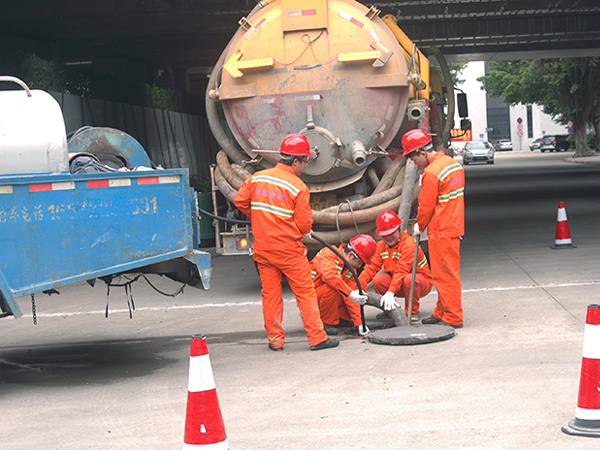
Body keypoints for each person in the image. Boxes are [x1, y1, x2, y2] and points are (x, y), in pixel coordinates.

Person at [234, 133, 339, 351]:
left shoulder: (258, 178)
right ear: (296, 160)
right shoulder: (297, 186)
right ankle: (317, 338)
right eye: (305, 162)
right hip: (289, 251)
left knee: (270, 295)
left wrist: (260, 218)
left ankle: (275, 340)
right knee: (305, 293)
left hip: (263, 248)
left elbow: (240, 200)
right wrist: (306, 232)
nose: (305, 166)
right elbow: (303, 224)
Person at [402, 129, 465, 328]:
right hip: (453, 226)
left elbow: (426, 206)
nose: (413, 162)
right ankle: (441, 312)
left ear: (422, 152)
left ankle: (453, 317)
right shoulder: (452, 165)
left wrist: (420, 226)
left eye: (413, 157)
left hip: (442, 230)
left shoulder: (431, 173)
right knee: (445, 273)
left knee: (445, 276)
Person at [359, 210, 433, 322]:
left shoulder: (408, 245)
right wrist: (358, 287)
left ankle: (412, 311)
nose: (388, 238)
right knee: (378, 280)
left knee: (408, 279)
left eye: (391, 234)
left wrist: (390, 293)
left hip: (418, 282)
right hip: (399, 282)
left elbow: (402, 271)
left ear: (398, 229)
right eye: (385, 235)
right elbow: (370, 268)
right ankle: (388, 309)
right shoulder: (381, 247)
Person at [309, 235, 376, 336]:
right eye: (359, 262)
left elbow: (352, 293)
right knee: (333, 287)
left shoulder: (350, 269)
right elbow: (329, 276)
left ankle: (341, 319)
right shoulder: (328, 253)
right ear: (350, 255)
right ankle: (326, 323)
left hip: (324, 298)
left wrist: (359, 323)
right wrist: (350, 293)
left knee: (358, 286)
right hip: (310, 299)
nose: (359, 266)